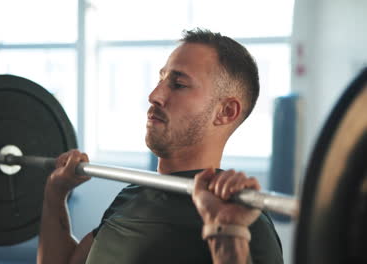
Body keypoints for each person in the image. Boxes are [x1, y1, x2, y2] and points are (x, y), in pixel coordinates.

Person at [37, 28, 283, 264]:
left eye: (178, 84)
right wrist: (55, 194)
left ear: (226, 112)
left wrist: (228, 234)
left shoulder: (244, 221)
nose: (154, 95)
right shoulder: (132, 195)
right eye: (161, 80)